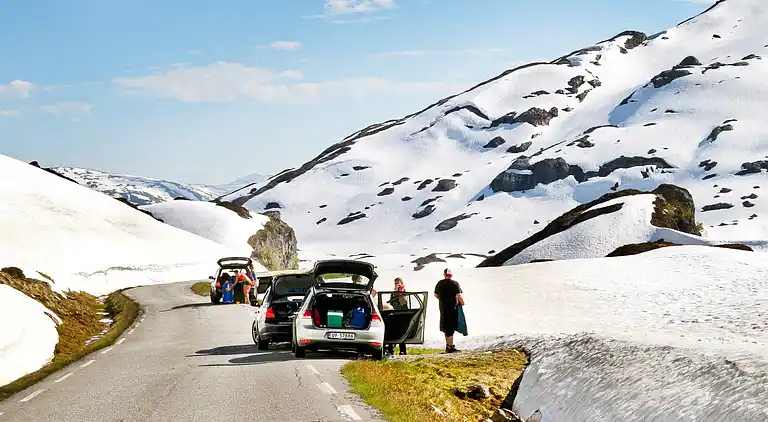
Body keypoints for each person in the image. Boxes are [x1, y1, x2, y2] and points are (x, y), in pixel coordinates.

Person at [434, 268, 464, 353]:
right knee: (451, 326)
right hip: (452, 308)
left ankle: (448, 345)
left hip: (443, 308)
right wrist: (462, 303)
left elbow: (435, 294)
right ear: (451, 275)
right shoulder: (454, 283)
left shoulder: (440, 283)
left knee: (445, 326)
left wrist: (442, 299)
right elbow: (458, 295)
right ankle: (450, 346)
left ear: (444, 275)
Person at [385, 277, 408, 358]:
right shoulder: (393, 293)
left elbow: (403, 302)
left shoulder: (404, 292)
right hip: (395, 314)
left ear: (401, 283)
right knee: (393, 332)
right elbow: (391, 303)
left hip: (403, 314)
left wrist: (399, 293)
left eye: (398, 283)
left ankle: (403, 350)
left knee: (401, 333)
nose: (396, 285)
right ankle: (390, 350)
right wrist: (395, 292)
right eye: (395, 283)